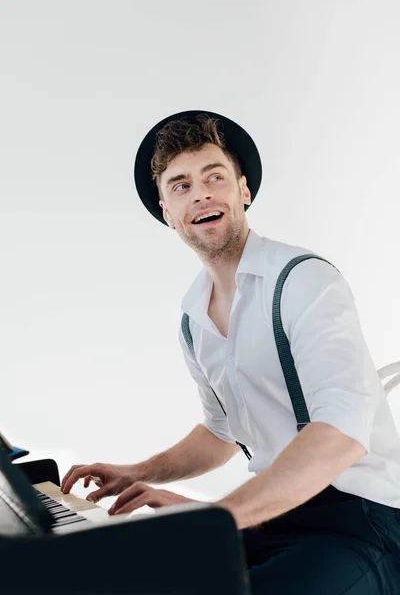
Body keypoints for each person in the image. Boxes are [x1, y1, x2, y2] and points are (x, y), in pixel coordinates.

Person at [61, 110, 400, 593]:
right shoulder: (192, 316)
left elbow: (341, 434)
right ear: (167, 212)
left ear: (242, 190)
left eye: (214, 176)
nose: (200, 193)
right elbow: (222, 433)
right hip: (273, 520)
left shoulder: (303, 279)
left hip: (358, 524)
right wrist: (137, 473)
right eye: (180, 185)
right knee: (132, 572)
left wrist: (216, 517)